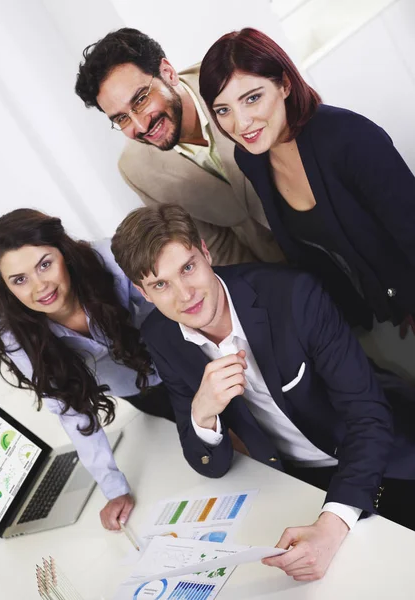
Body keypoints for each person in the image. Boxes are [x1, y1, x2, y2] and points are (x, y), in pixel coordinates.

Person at [111, 203, 415, 582]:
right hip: (298, 483)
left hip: (388, 461)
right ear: (143, 292)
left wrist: (332, 526)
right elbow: (210, 464)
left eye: (187, 268)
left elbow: (368, 416)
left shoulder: (292, 295)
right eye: (161, 285)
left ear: (206, 253)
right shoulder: (162, 337)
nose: (185, 295)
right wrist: (202, 413)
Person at [198, 27, 415, 334]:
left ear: (284, 84)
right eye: (223, 109)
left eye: (252, 98)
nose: (241, 123)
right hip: (365, 316)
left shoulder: (350, 139)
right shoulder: (251, 157)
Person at [0, 208, 175, 530]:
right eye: (19, 280)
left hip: (191, 362)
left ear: (64, 253)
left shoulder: (110, 261)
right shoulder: (17, 336)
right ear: (5, 288)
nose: (39, 286)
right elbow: (70, 408)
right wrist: (114, 489)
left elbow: (180, 312)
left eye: (45, 264)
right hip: (143, 390)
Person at [74, 27, 283, 267]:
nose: (140, 126)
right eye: (121, 118)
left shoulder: (231, 78)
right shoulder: (136, 170)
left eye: (141, 99)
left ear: (168, 73)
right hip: (276, 266)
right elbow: (218, 250)